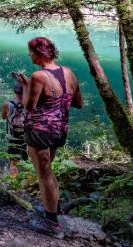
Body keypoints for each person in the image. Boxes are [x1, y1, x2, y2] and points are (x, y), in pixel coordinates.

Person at [14, 37, 82, 239]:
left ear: (39, 54)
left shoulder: (38, 76)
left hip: (40, 131)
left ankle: (52, 224)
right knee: (48, 171)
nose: (29, 55)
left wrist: (26, 86)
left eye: (30, 52)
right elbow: (78, 102)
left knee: (43, 174)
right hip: (60, 130)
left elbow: (29, 106)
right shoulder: (69, 73)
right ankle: (56, 208)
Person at [1, 83, 27, 176]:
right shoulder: (30, 102)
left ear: (14, 91)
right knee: (30, 162)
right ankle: (29, 182)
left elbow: (3, 117)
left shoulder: (7, 104)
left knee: (13, 163)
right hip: (28, 137)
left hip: (13, 137)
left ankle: (14, 184)